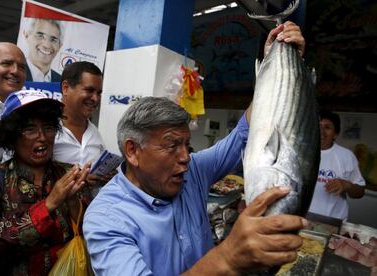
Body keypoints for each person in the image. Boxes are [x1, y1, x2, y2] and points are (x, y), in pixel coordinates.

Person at [83, 22, 308, 275]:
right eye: (171, 145)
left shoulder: (194, 171)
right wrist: (228, 257)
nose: (185, 157)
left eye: (187, 145)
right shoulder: (106, 219)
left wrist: (277, 69)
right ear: (133, 151)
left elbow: (243, 135)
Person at [0, 90, 91, 275]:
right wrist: (50, 204)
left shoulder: (69, 173)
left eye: (48, 127)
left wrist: (74, 204)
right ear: (11, 137)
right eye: (29, 129)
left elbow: (94, 233)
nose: (42, 137)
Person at [53, 61, 117, 198]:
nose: (95, 98)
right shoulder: (46, 129)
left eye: (99, 93)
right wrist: (80, 179)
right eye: (89, 90)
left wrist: (107, 177)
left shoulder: (95, 134)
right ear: (65, 88)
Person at [308, 110, 365, 220]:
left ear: (335, 134)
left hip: (332, 221)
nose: (321, 131)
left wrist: (347, 185)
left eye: (327, 127)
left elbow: (360, 192)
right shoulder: (302, 152)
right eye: (318, 126)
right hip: (300, 218)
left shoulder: (346, 156)